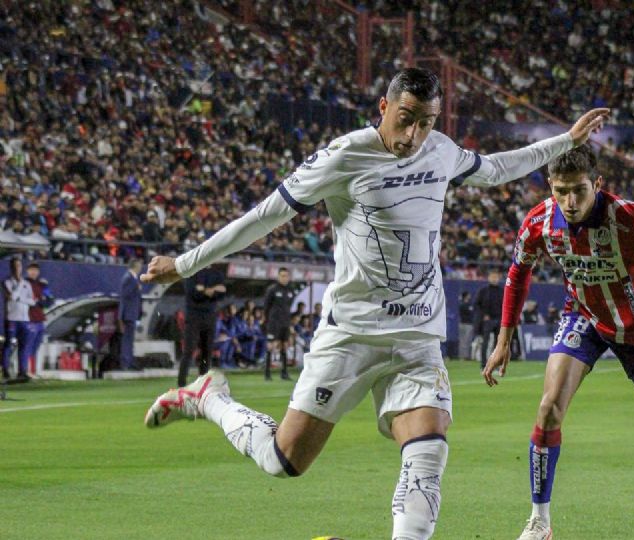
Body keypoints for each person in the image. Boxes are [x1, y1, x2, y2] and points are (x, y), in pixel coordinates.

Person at [142, 67, 609, 540]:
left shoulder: (441, 151)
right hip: (351, 335)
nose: (414, 134)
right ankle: (211, 399)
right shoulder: (343, 157)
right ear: (384, 108)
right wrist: (185, 263)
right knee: (283, 460)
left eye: (426, 121)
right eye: (406, 119)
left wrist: (565, 140)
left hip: (417, 338)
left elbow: (495, 169)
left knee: (427, 451)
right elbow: (265, 216)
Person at [482, 145, 634, 540]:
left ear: (598, 185)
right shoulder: (540, 222)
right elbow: (518, 271)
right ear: (550, 186)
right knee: (548, 408)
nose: (570, 202)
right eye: (560, 191)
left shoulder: (629, 218)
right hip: (584, 317)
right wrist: (504, 340)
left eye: (579, 190)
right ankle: (540, 521)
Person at [178, 266, 226, 387]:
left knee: (207, 352)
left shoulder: (217, 273)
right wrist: (213, 290)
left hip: (210, 317)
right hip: (194, 316)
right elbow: (193, 293)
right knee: (189, 350)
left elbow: (222, 292)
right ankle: (181, 383)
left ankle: (202, 385)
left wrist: (203, 290)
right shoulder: (191, 272)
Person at [3, 258, 35, 381]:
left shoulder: (27, 284)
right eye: (15, 266)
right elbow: (11, 297)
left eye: (19, 266)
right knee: (9, 344)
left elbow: (32, 301)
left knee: (24, 345)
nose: (17, 268)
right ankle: (5, 370)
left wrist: (21, 299)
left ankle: (22, 371)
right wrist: (20, 285)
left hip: (24, 318)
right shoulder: (7, 282)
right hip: (12, 318)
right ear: (11, 267)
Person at [263, 267, 296, 380]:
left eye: (286, 275)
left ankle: (284, 373)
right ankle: (267, 373)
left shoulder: (291, 290)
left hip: (285, 323)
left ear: (289, 277)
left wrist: (290, 323)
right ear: (278, 276)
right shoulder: (272, 289)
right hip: (274, 323)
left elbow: (290, 307)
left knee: (284, 346)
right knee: (271, 346)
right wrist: (266, 321)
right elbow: (266, 307)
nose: (284, 278)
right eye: (282, 275)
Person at [25, 262, 54, 372]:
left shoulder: (42, 285)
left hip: (40, 319)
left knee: (36, 346)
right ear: (27, 271)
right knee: (27, 346)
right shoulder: (24, 284)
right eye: (31, 270)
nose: (33, 272)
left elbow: (50, 300)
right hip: (28, 319)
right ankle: (25, 371)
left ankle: (33, 371)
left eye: (35, 270)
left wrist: (40, 303)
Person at [473, 268, 504, 366]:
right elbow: (477, 305)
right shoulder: (483, 291)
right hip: (488, 320)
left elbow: (506, 305)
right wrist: (484, 315)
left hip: (499, 319)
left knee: (498, 344)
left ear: (499, 278)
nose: (495, 279)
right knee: (485, 343)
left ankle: (495, 365)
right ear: (489, 278)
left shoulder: (502, 291)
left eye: (496, 277)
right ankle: (483, 365)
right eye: (493, 277)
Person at [118, 259, 144, 370]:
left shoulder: (132, 278)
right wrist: (136, 287)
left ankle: (130, 361)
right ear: (135, 265)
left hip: (132, 313)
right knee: (127, 339)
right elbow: (125, 295)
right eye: (139, 265)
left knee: (130, 339)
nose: (141, 267)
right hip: (128, 314)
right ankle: (126, 363)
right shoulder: (128, 278)